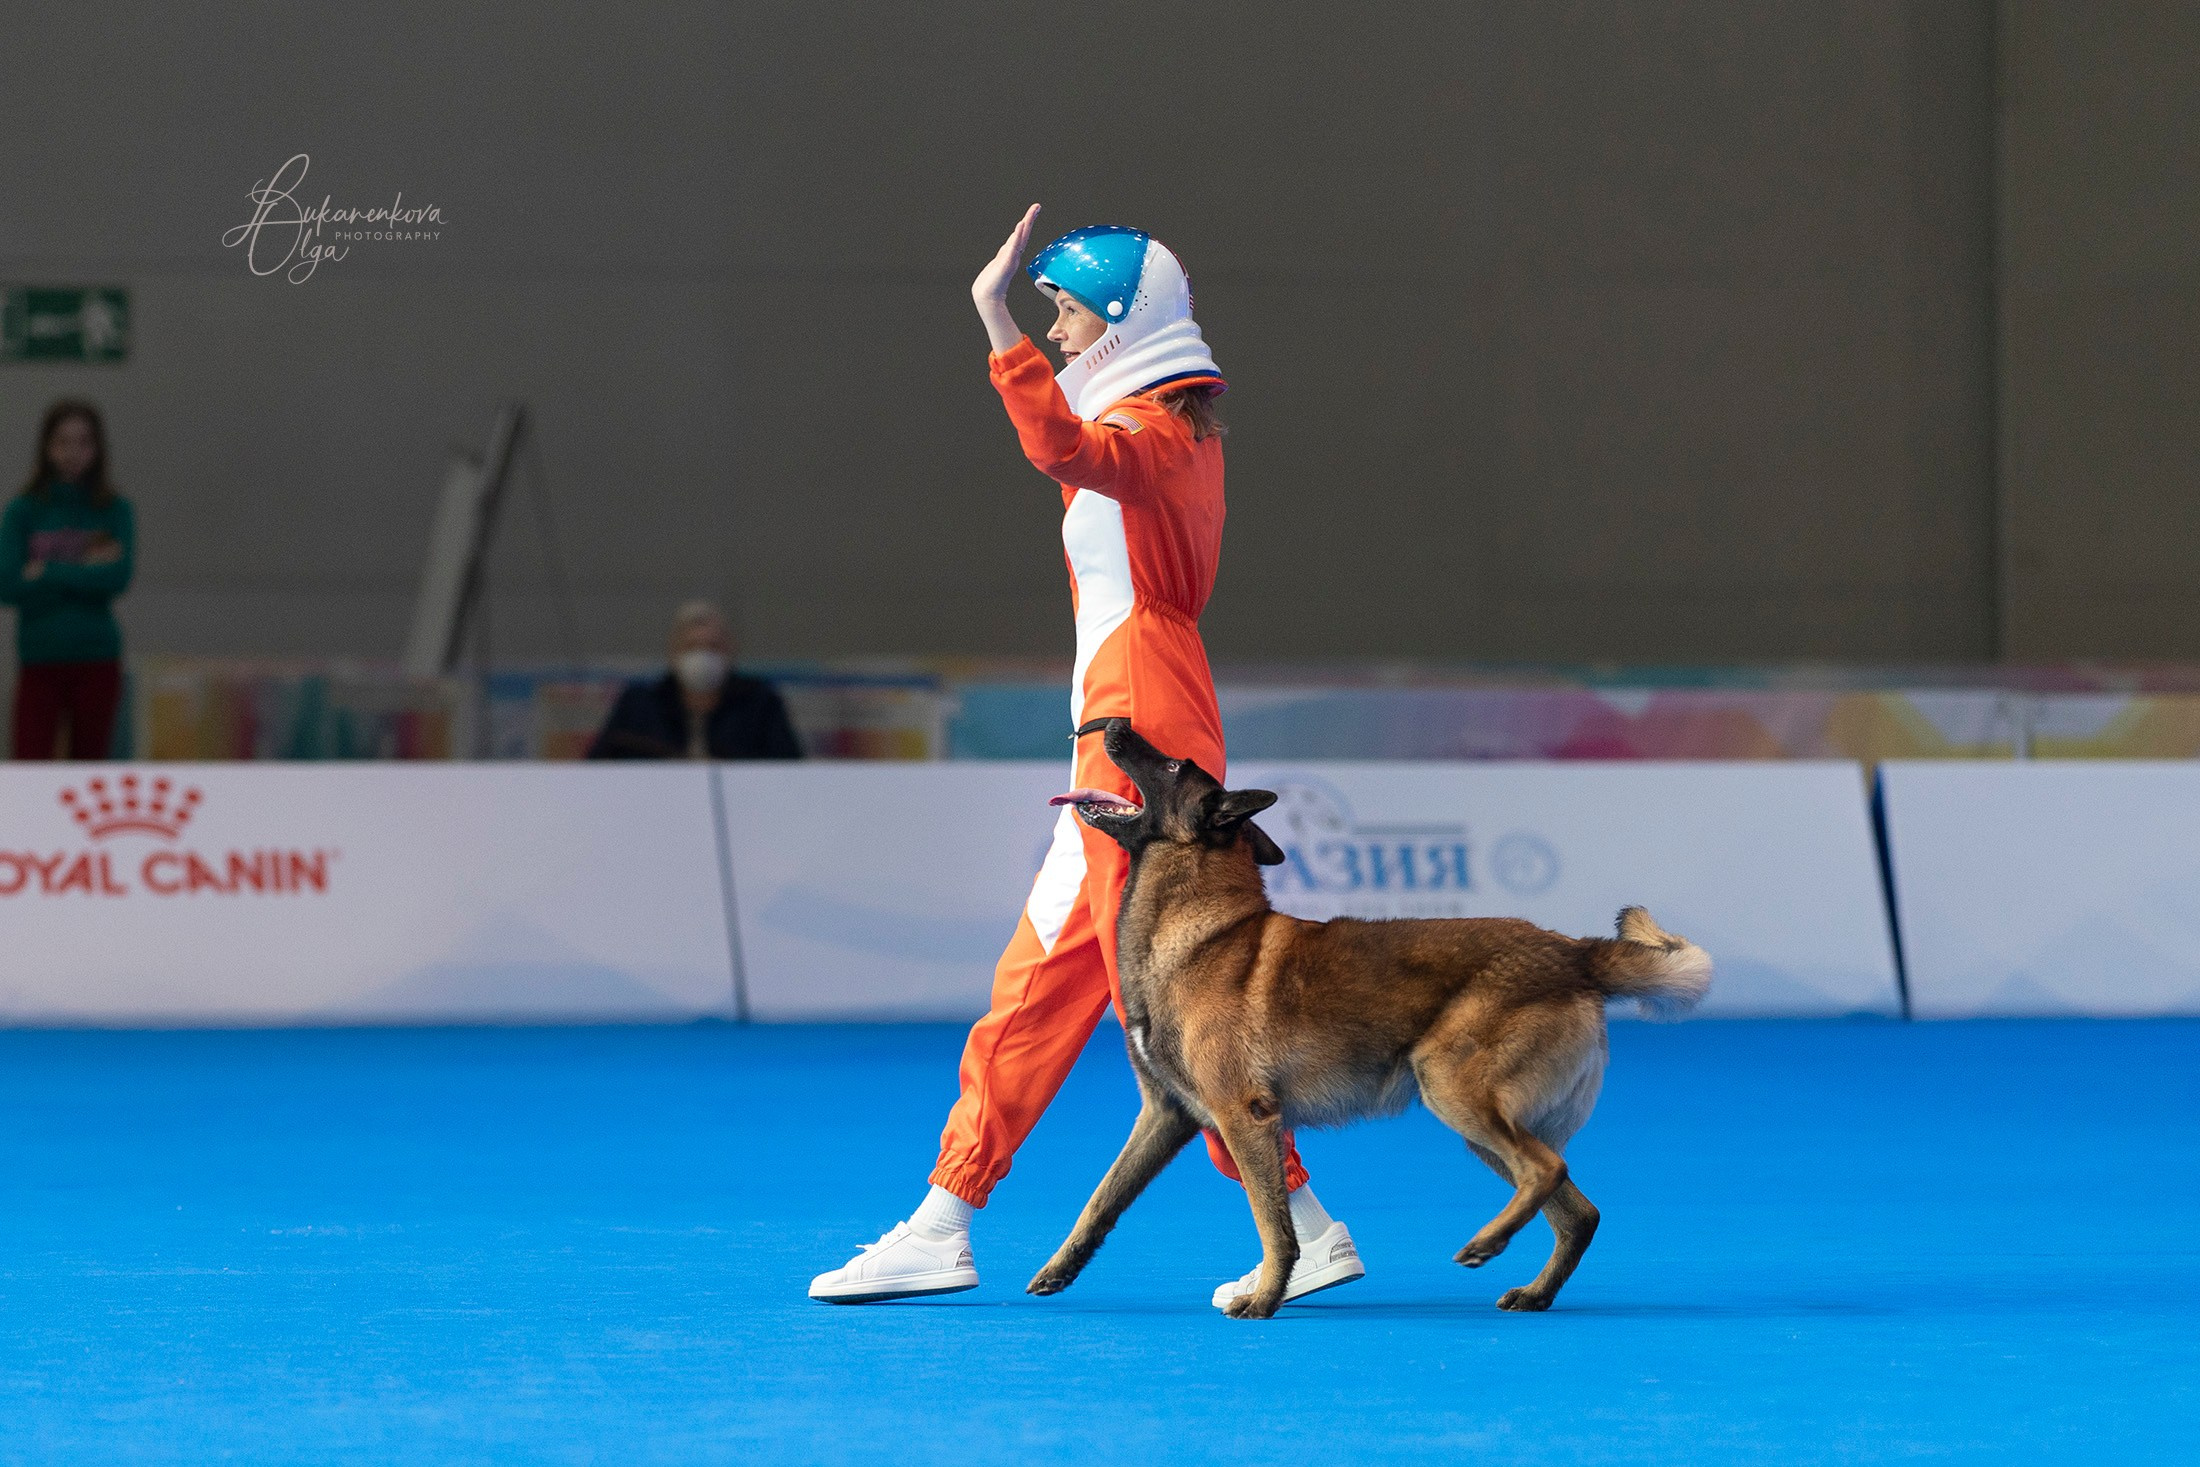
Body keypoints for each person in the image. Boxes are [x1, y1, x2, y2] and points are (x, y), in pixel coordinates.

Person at [809, 207, 1363, 1310]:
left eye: (1064, 312)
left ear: (1118, 322)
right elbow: (1073, 444)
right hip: (1137, 705)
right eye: (1048, 313)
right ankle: (1290, 1222)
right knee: (1096, 987)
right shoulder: (1167, 426)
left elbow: (1058, 442)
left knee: (1123, 992)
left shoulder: (1155, 436)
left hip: (1135, 718)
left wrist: (990, 316)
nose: (1056, 332)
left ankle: (951, 1219)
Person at [1, 400, 135, 761]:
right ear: (47, 446)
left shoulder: (114, 509)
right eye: (62, 441)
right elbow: (7, 584)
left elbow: (118, 577)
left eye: (84, 442)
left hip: (97, 658)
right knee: (28, 769)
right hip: (39, 660)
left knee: (90, 768)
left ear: (98, 448)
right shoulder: (23, 511)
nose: (73, 453)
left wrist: (45, 570)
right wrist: (86, 570)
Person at [585, 600, 802, 760]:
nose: (702, 656)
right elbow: (597, 769)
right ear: (673, 653)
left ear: (730, 652)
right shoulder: (638, 705)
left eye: (713, 646)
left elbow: (791, 769)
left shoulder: (761, 704)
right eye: (691, 647)